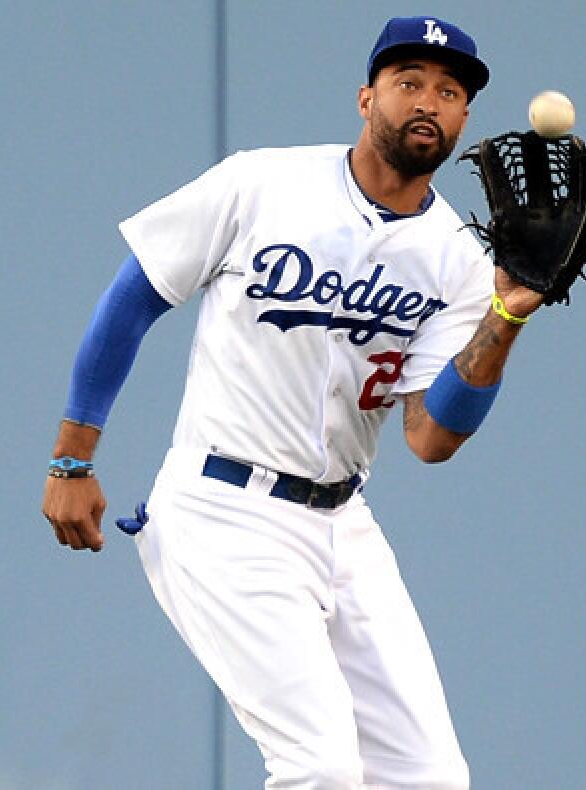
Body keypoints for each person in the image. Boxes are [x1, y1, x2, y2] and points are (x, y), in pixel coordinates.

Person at [42, 16, 546, 789]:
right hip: (224, 508)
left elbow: (430, 437)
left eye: (449, 91)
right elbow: (134, 296)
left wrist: (505, 316)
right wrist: (73, 455)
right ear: (364, 96)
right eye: (408, 81)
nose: (427, 101)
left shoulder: (458, 258)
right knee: (320, 770)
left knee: (430, 779)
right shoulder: (263, 183)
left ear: (465, 120)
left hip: (344, 523)